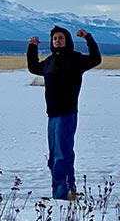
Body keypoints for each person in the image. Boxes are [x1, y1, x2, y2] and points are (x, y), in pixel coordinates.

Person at [26, 26, 102, 200]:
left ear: (67, 40)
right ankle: (61, 192)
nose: (57, 41)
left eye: (61, 38)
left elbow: (96, 59)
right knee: (53, 157)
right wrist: (32, 47)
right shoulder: (50, 61)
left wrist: (88, 38)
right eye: (55, 38)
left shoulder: (75, 59)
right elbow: (33, 67)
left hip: (67, 114)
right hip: (52, 115)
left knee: (63, 155)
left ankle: (64, 193)